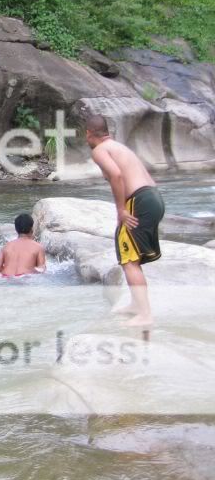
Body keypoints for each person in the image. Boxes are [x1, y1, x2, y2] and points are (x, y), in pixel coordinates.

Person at [85, 114, 164, 327]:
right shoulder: (117, 146)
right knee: (131, 256)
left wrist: (121, 209)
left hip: (139, 201)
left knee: (129, 260)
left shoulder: (99, 150)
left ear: (89, 134)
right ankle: (136, 305)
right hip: (152, 197)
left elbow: (116, 176)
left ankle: (145, 314)